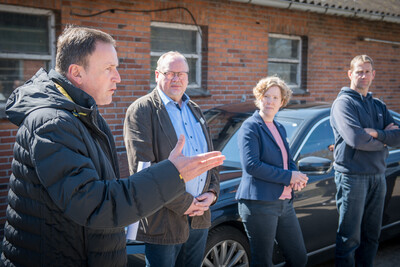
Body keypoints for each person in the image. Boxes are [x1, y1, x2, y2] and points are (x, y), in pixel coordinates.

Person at [1, 26, 225, 267]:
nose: (117, 77)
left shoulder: (82, 115)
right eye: (109, 68)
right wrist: (174, 174)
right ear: (77, 72)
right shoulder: (53, 123)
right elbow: (95, 204)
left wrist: (209, 192)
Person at [123, 51, 220, 267]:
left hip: (199, 219)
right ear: (157, 74)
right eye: (170, 73)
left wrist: (212, 193)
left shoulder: (195, 110)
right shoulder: (142, 110)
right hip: (164, 220)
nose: (176, 78)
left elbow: (209, 160)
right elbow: (143, 171)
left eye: (182, 74)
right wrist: (186, 203)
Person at [330, 55, 400, 267]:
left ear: (373, 75)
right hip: (352, 177)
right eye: (359, 71)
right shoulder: (343, 104)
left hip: (378, 176)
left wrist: (376, 134)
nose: (363, 76)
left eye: (367, 71)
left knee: (372, 236)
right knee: (349, 238)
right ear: (350, 74)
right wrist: (384, 140)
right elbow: (355, 138)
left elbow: (398, 136)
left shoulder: (379, 105)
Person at [235, 76, 308, 267]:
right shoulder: (250, 127)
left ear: (282, 102)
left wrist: (295, 176)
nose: (270, 101)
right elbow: (252, 165)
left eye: (276, 98)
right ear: (259, 98)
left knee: (299, 258)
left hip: (284, 203)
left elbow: (287, 160)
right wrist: (288, 176)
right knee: (263, 262)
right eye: (267, 96)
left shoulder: (279, 127)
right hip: (259, 203)